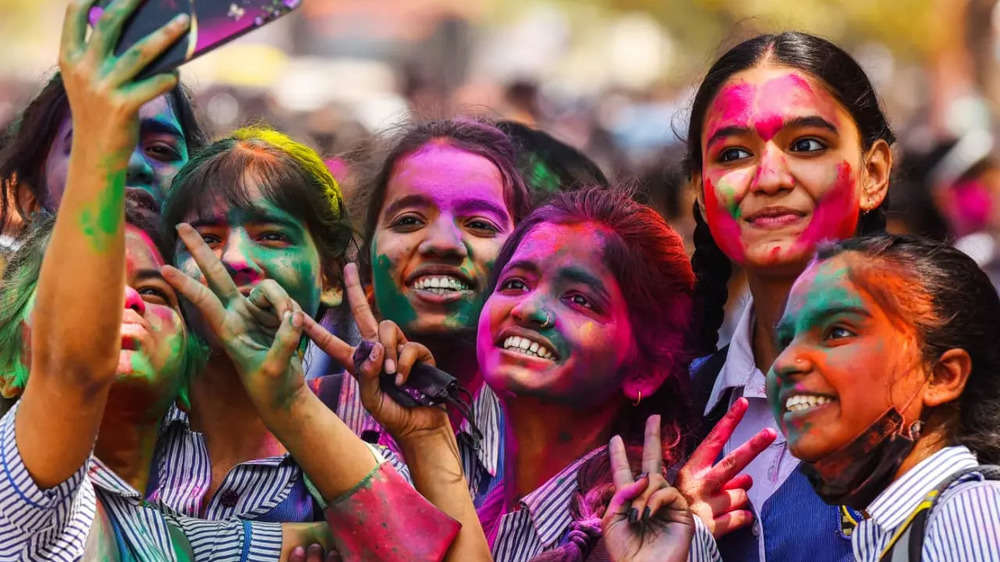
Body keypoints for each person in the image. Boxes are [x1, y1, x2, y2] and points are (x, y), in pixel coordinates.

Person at [0, 3, 290, 556]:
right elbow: (73, 368)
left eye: (159, 150)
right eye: (90, 143)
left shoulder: (185, 532)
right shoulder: (19, 490)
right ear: (11, 362)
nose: (127, 164)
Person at [470, 187, 771, 561]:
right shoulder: (458, 489)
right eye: (515, 284)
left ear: (646, 370)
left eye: (579, 299)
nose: (529, 309)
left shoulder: (662, 538)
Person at [683, 32, 894, 561]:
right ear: (702, 195)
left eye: (806, 145)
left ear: (873, 173)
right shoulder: (663, 416)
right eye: (733, 154)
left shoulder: (940, 399)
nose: (770, 178)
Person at [331, 118, 531, 505]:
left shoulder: (557, 447)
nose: (443, 244)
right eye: (408, 221)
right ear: (369, 268)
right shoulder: (298, 418)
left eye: (479, 224)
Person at [767, 234, 1000, 560]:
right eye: (786, 340)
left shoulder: (969, 510)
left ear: (941, 376)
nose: (785, 362)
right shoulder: (886, 535)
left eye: (838, 332)